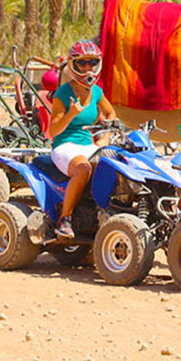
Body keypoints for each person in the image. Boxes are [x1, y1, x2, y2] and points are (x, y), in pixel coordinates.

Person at [47, 40, 117, 239]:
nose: (88, 68)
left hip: (88, 145)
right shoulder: (64, 92)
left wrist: (106, 137)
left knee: (116, 166)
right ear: (73, 65)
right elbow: (53, 130)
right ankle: (65, 219)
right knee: (83, 169)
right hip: (65, 146)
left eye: (92, 63)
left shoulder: (96, 91)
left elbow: (110, 112)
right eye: (82, 63)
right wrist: (70, 114)